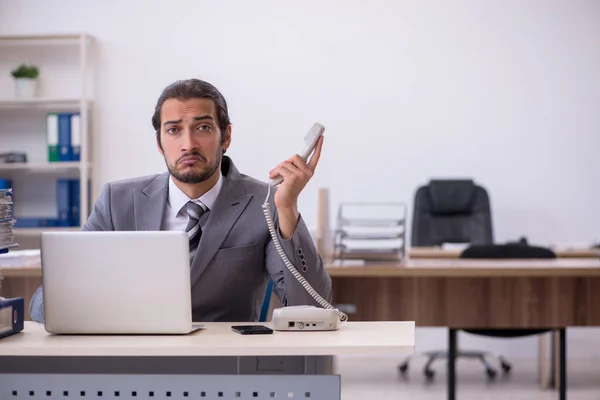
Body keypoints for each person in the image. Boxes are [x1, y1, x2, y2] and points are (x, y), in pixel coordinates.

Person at [29, 78, 331, 323]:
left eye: (202, 128)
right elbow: (45, 308)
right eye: (173, 130)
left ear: (225, 137)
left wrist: (288, 209)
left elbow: (314, 306)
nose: (188, 144)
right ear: (159, 142)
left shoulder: (266, 202)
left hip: (226, 367)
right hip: (135, 361)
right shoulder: (116, 201)